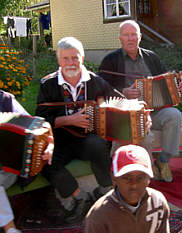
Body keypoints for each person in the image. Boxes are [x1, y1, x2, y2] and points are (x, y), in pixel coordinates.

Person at [35, 37, 120, 223]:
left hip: (87, 139)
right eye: (65, 58)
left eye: (75, 57)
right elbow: (41, 120)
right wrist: (70, 120)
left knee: (98, 144)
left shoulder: (96, 81)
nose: (71, 62)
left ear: (82, 57)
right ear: (58, 60)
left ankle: (105, 191)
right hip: (58, 139)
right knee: (43, 159)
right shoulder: (48, 84)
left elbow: (119, 101)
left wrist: (139, 109)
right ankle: (79, 196)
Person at [99, 20, 182, 182]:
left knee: (174, 115)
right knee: (142, 135)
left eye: (134, 35)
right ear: (120, 38)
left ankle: (163, 161)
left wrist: (179, 81)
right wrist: (123, 92)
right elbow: (101, 88)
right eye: (126, 35)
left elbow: (168, 77)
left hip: (154, 111)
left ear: (140, 37)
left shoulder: (151, 57)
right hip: (127, 117)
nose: (130, 38)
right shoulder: (110, 60)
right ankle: (145, 166)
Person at [0, 90, 53, 233]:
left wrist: (50, 145)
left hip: (8, 169)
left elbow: (39, 125)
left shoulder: (5, 99)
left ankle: (10, 228)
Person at [85, 144, 170, 233]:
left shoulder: (157, 202)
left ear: (149, 177)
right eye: (126, 178)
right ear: (113, 177)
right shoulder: (99, 215)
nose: (134, 185)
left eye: (140, 178)